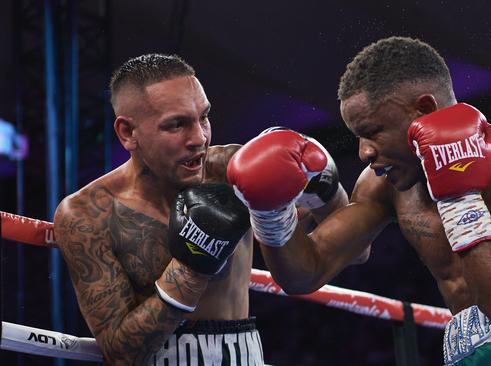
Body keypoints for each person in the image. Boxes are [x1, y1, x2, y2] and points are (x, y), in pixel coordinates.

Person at [227, 37, 491, 365]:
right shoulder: (384, 182)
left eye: (373, 132)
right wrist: (271, 213)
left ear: (424, 109)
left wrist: (458, 194)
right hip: (471, 352)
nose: (364, 153)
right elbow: (305, 272)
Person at [53, 54, 347, 365]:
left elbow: (352, 247)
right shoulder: (87, 214)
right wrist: (193, 265)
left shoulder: (231, 170)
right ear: (128, 133)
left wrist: (325, 186)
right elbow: (121, 353)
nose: (199, 138)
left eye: (203, 118)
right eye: (177, 124)